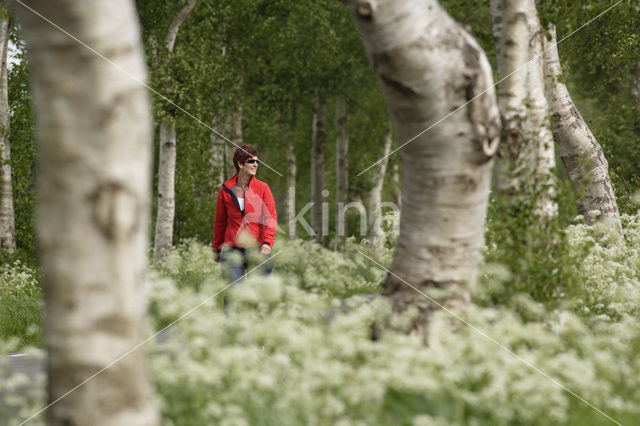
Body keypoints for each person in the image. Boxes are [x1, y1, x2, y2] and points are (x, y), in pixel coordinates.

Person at [212, 144, 277, 283]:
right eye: (251, 161)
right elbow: (220, 222)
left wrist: (267, 242)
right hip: (232, 250)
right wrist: (216, 249)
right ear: (240, 164)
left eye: (257, 161)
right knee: (234, 296)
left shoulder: (263, 188)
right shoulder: (225, 190)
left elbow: (271, 218)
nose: (256, 164)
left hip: (258, 249)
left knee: (260, 296)